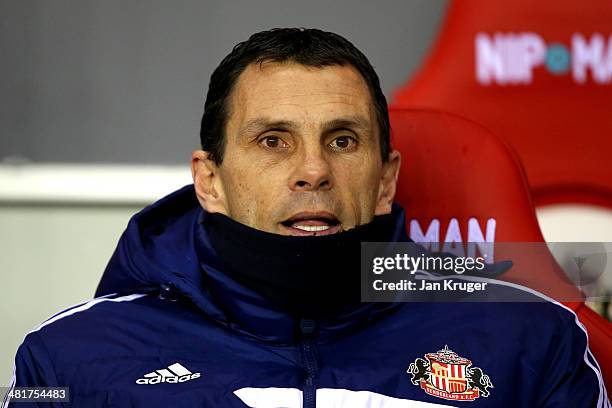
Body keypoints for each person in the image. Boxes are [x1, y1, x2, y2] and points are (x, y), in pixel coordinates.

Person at [3, 28, 609, 408]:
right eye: (273, 141)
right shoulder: (67, 361)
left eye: (343, 141)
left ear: (386, 181)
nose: (313, 171)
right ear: (209, 181)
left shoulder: (532, 342)